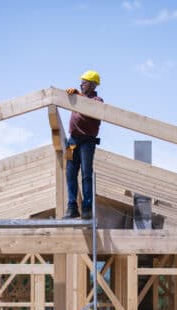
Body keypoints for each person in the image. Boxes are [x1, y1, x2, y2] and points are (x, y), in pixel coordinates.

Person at [63, 70, 104, 220]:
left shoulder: (98, 100)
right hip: (72, 141)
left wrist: (78, 96)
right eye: (81, 81)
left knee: (86, 174)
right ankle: (72, 206)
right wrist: (72, 96)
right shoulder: (77, 97)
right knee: (70, 173)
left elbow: (92, 108)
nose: (81, 84)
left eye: (84, 82)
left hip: (87, 142)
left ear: (93, 85)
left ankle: (87, 208)